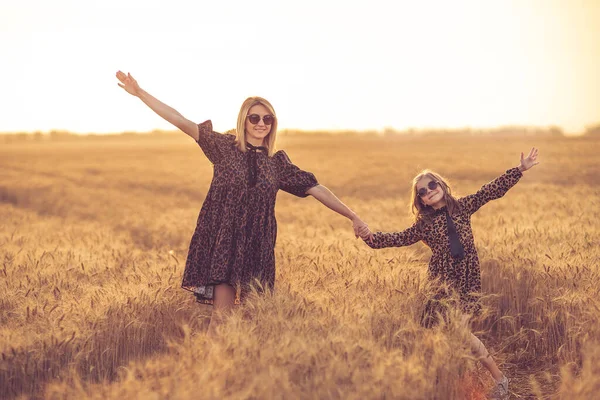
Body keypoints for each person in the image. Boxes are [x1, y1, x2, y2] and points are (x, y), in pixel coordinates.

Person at [115, 71, 373, 334]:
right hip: (224, 241)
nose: (261, 123)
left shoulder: (277, 162)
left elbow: (316, 188)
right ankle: (212, 368)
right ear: (244, 120)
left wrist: (353, 216)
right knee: (222, 319)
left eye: (267, 119)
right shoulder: (223, 147)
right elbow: (180, 121)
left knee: (253, 320)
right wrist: (140, 93)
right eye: (255, 118)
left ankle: (241, 369)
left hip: (258, 246)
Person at [364, 148, 539, 400]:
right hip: (441, 283)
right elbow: (400, 237)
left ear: (442, 185)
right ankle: (448, 383)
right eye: (422, 192)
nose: (428, 191)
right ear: (421, 201)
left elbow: (490, 191)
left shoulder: (463, 206)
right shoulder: (423, 224)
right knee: (437, 334)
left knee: (461, 333)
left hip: (467, 279)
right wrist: (371, 238)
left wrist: (520, 169)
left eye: (431, 185)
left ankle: (499, 381)